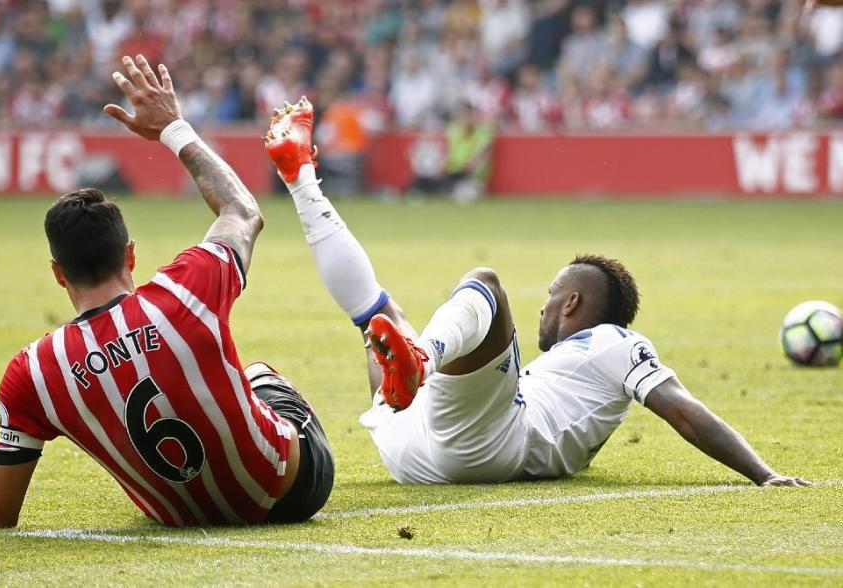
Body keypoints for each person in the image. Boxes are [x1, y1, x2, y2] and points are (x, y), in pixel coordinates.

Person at [264, 98, 809, 488]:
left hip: (476, 444)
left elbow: (683, 409)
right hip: (422, 445)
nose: (545, 306)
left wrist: (764, 474)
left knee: (487, 284)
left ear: (573, 304)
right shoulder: (588, 372)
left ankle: (420, 356)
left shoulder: (615, 340)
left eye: (553, 294)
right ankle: (301, 178)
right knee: (379, 314)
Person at [0, 55, 334, 528]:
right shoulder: (184, 291)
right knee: (258, 373)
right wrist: (173, 128)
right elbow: (242, 212)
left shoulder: (31, 372)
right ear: (130, 255)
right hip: (295, 494)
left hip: (181, 521)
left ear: (59, 274)